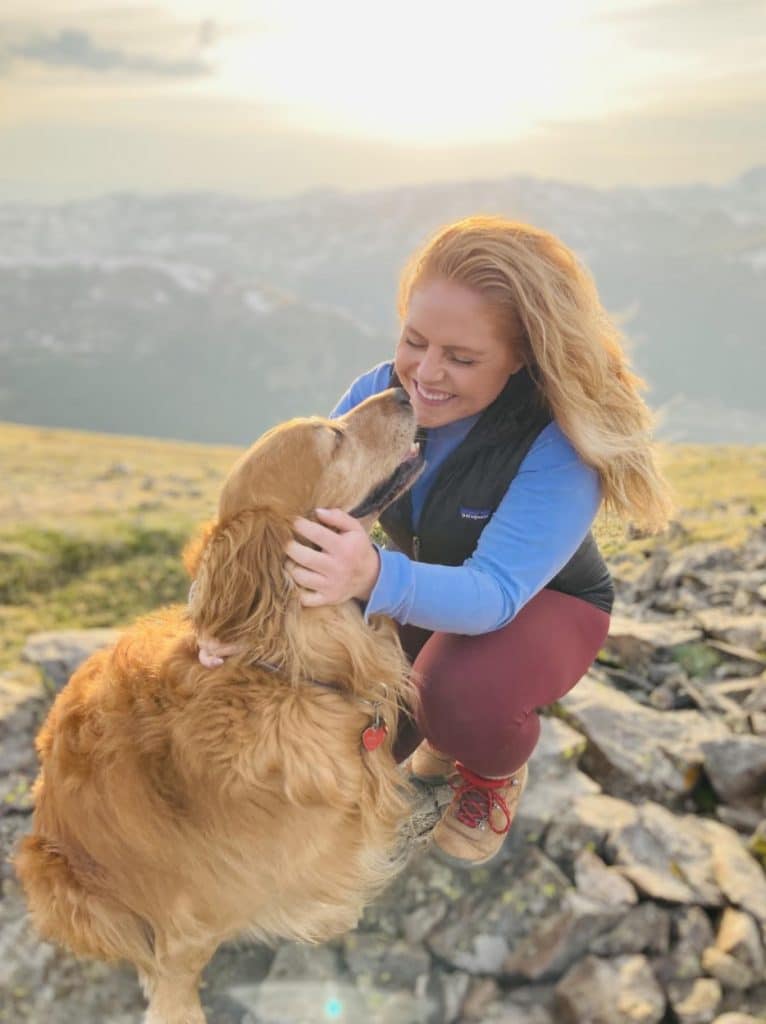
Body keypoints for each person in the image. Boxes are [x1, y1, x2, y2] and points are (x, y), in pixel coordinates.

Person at [203, 216, 672, 869]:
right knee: (343, 711)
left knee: (452, 699)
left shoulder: (557, 442)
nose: (424, 374)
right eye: (414, 341)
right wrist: (234, 621)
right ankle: (422, 743)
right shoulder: (379, 400)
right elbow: (315, 512)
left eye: (461, 358)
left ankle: (490, 770)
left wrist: (371, 578)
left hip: (541, 605)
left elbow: (494, 594)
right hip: (415, 581)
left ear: (522, 356)